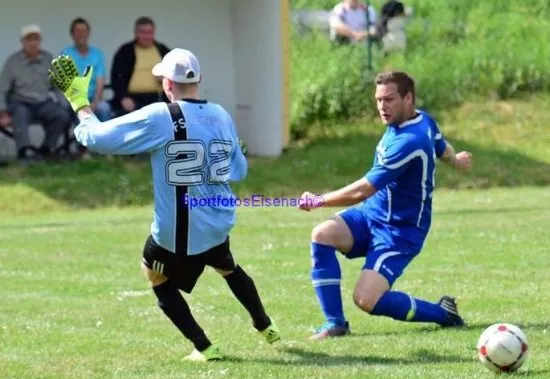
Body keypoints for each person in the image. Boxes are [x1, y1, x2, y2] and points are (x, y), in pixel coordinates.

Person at [48, 49, 280, 361]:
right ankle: (264, 325)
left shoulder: (162, 115)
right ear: (198, 80)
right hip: (217, 223)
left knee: (153, 272)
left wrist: (80, 103)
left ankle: (205, 347)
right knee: (226, 264)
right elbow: (239, 170)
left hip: (180, 232)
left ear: (167, 83)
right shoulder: (221, 115)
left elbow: (99, 139)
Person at [298, 71, 473, 340]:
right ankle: (335, 324)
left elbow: (362, 190)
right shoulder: (422, 120)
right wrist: (455, 159)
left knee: (366, 299)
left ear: (408, 98)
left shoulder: (409, 141)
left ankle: (443, 313)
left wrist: (319, 200)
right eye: (379, 100)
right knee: (322, 235)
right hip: (372, 216)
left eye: (389, 99)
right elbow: (440, 143)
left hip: (400, 231)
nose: (382, 107)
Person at [0, 24, 71, 164]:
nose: (33, 43)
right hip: (20, 102)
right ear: (22, 42)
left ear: (40, 41)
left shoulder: (48, 59)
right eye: (29, 39)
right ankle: (24, 152)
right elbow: (2, 89)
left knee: (62, 115)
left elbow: (57, 86)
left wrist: (64, 104)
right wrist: (2, 112)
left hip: (43, 103)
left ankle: (46, 149)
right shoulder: (12, 62)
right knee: (19, 114)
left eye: (36, 39)